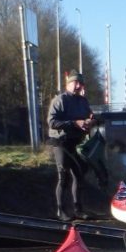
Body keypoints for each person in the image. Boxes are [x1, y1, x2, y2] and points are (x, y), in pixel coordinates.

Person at [47, 70, 95, 221]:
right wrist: (74, 123)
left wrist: (91, 121)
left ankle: (78, 209)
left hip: (76, 143)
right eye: (76, 83)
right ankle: (61, 211)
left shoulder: (83, 101)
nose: (78, 86)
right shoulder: (59, 100)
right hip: (60, 142)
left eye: (81, 83)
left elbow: (89, 117)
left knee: (80, 174)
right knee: (64, 176)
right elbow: (52, 122)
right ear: (68, 84)